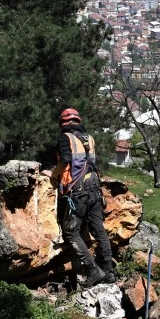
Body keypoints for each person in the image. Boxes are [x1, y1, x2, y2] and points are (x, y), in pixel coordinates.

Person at [44, 108, 116, 287]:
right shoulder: (89, 138)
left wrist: (53, 174)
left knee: (70, 232)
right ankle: (108, 272)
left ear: (63, 123)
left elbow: (65, 161)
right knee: (98, 229)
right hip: (94, 188)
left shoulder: (64, 138)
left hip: (79, 191)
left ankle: (93, 270)